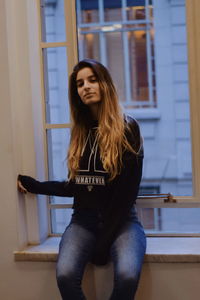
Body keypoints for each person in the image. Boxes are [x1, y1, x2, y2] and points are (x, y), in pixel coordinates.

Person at [17, 59, 146, 300]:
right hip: (82, 221)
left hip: (122, 222)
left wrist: (104, 241)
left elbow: (126, 194)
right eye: (79, 83)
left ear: (105, 84)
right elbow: (78, 186)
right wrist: (35, 185)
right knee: (65, 276)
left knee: (128, 277)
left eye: (92, 80)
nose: (85, 86)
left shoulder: (128, 129)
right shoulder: (81, 132)